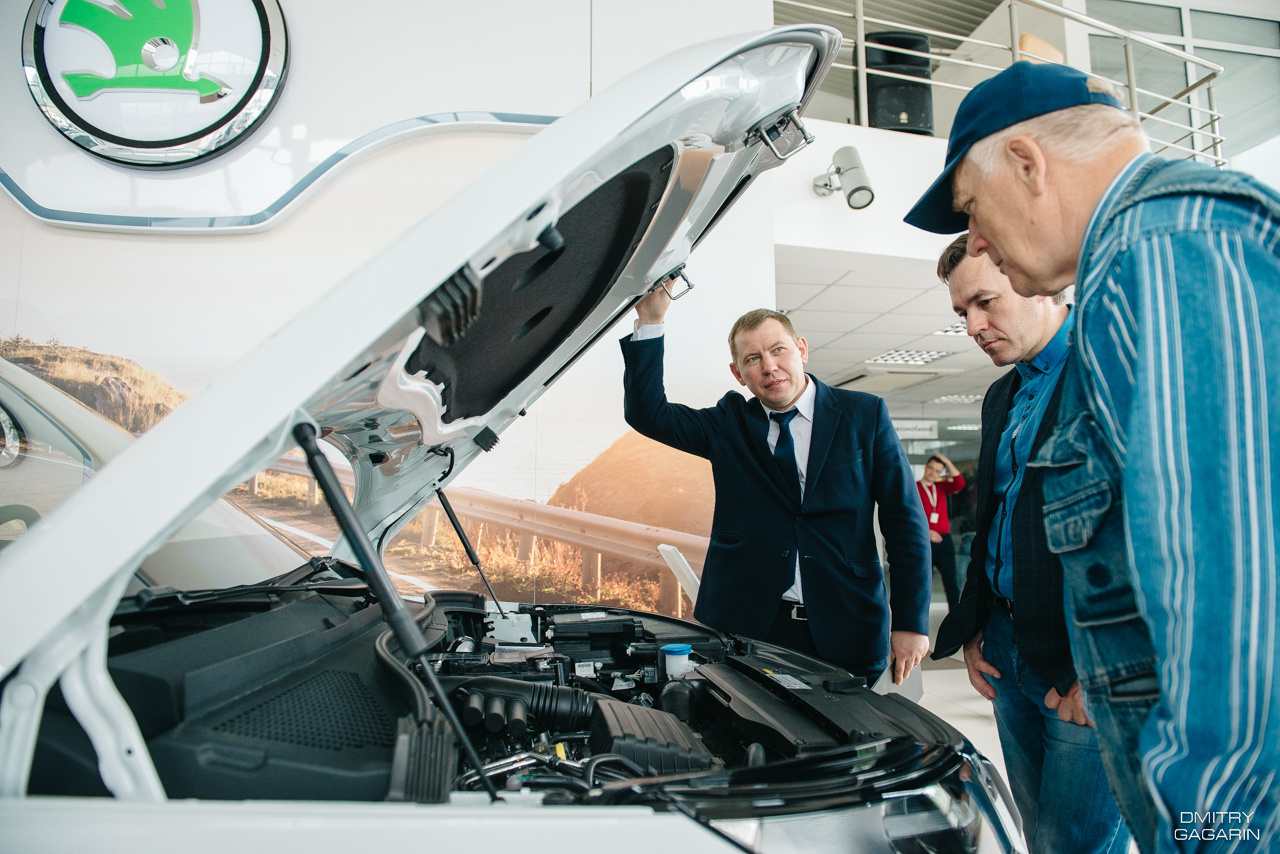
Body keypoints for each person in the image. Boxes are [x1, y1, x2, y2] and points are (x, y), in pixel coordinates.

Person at [905, 60, 1280, 853]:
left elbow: (1235, 602)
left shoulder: (1169, 247)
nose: (980, 243)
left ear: (1028, 165)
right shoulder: (1147, 253)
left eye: (972, 208)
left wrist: (1221, 829)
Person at [931, 233, 1130, 854]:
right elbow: (993, 518)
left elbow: (1172, 537)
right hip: (1008, 649)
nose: (973, 325)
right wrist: (974, 626)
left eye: (985, 302)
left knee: (1077, 843)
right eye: (962, 312)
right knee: (1038, 834)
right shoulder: (1004, 393)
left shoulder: (1119, 367)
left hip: (1088, 660)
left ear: (1041, 280)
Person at [620, 287, 931, 684]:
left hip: (847, 626)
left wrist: (911, 622)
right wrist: (652, 319)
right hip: (748, 629)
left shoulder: (863, 415)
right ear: (739, 373)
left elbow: (904, 521)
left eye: (778, 350)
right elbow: (648, 412)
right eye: (753, 358)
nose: (769, 367)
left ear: (801, 349)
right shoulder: (727, 424)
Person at [916, 453, 965, 611]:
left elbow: (960, 482)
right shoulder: (914, 487)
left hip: (944, 540)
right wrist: (927, 531)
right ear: (925, 467)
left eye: (937, 471)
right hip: (923, 539)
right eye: (931, 468)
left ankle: (954, 615)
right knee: (923, 582)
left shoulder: (941, 486)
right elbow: (909, 515)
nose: (933, 473)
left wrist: (947, 461)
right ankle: (920, 615)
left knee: (951, 581)